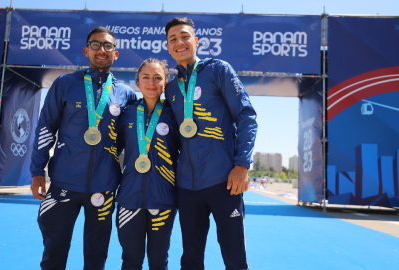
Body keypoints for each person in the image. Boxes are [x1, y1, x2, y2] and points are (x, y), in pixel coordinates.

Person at [29, 26, 137, 270]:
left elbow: (136, 136)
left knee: (96, 256)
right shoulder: (65, 83)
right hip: (63, 183)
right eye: (96, 45)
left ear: (116, 53)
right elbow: (46, 127)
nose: (102, 50)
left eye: (108, 46)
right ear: (86, 50)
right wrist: (37, 171)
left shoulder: (126, 94)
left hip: (105, 186)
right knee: (54, 254)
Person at [164, 17, 258, 270]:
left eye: (185, 36)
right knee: (191, 258)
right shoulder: (171, 87)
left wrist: (242, 165)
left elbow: (247, 115)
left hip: (224, 181)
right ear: (168, 47)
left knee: (234, 255)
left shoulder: (218, 70)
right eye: (173, 39)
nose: (179, 42)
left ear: (196, 41)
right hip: (187, 186)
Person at [115, 58, 180, 269]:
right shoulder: (127, 113)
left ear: (165, 83)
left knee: (158, 261)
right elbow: (111, 150)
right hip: (129, 200)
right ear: (137, 82)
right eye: (146, 77)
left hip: (163, 199)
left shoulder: (175, 114)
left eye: (157, 78)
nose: (151, 82)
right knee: (131, 261)